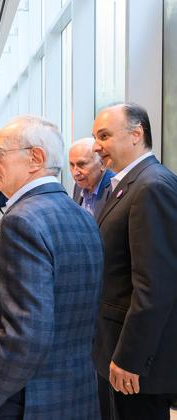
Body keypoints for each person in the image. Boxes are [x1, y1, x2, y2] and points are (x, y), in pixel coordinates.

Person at [0, 116, 103, 419]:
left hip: (23, 400)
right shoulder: (81, 215)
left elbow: (25, 333)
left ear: (35, 158)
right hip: (74, 395)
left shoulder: (23, 221)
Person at [91, 103, 177, 420]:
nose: (97, 146)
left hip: (133, 362)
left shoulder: (151, 187)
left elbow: (155, 286)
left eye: (104, 135)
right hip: (113, 347)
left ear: (136, 134)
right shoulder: (130, 184)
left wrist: (130, 357)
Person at [68, 137, 115, 218]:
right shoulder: (79, 185)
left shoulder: (114, 187)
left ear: (102, 164)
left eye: (81, 164)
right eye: (72, 165)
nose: (75, 172)